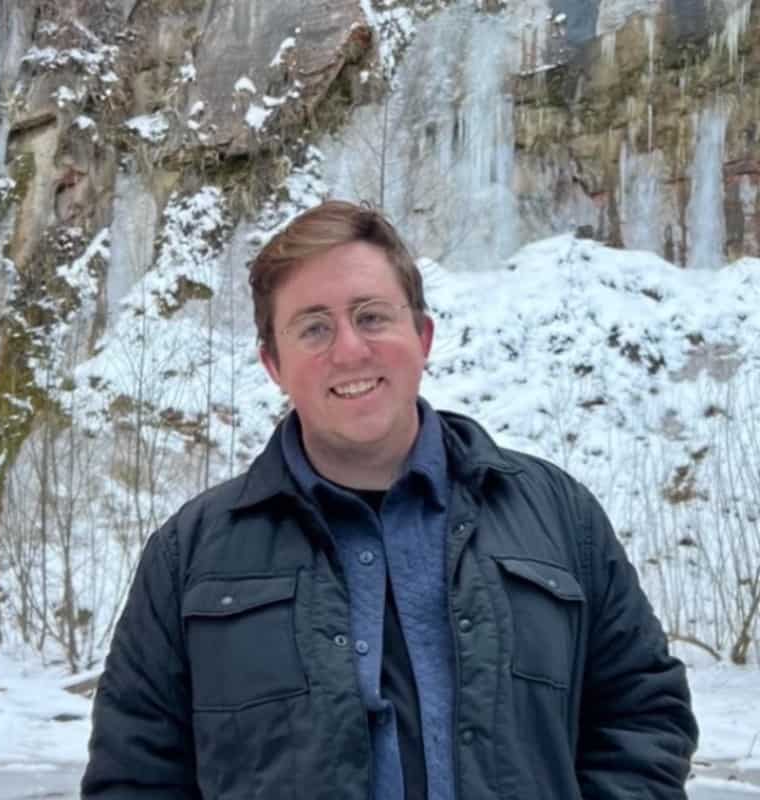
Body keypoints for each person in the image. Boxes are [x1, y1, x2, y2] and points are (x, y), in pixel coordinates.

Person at [82, 200, 698, 800]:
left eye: (372, 316)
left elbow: (642, 714)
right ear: (274, 363)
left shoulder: (559, 517)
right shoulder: (189, 555)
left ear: (422, 336)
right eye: (314, 327)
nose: (349, 350)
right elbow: (135, 772)